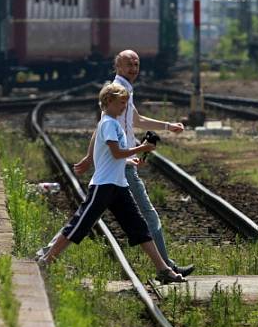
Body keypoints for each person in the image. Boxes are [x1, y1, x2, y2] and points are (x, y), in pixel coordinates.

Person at [38, 83, 185, 284]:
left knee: (139, 227)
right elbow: (115, 152)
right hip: (104, 185)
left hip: (119, 185)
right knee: (80, 224)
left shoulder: (112, 123)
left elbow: (112, 156)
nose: (124, 107)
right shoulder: (108, 123)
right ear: (108, 102)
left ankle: (163, 269)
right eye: (121, 103)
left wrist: (129, 160)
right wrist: (141, 148)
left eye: (125, 103)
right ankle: (47, 260)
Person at [73, 50, 194, 277]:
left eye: (136, 64)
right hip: (122, 166)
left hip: (124, 164)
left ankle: (165, 267)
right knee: (147, 215)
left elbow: (137, 120)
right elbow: (103, 127)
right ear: (117, 66)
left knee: (89, 216)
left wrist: (169, 126)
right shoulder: (117, 93)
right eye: (128, 64)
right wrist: (92, 158)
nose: (133, 68)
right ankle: (166, 267)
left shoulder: (126, 91)